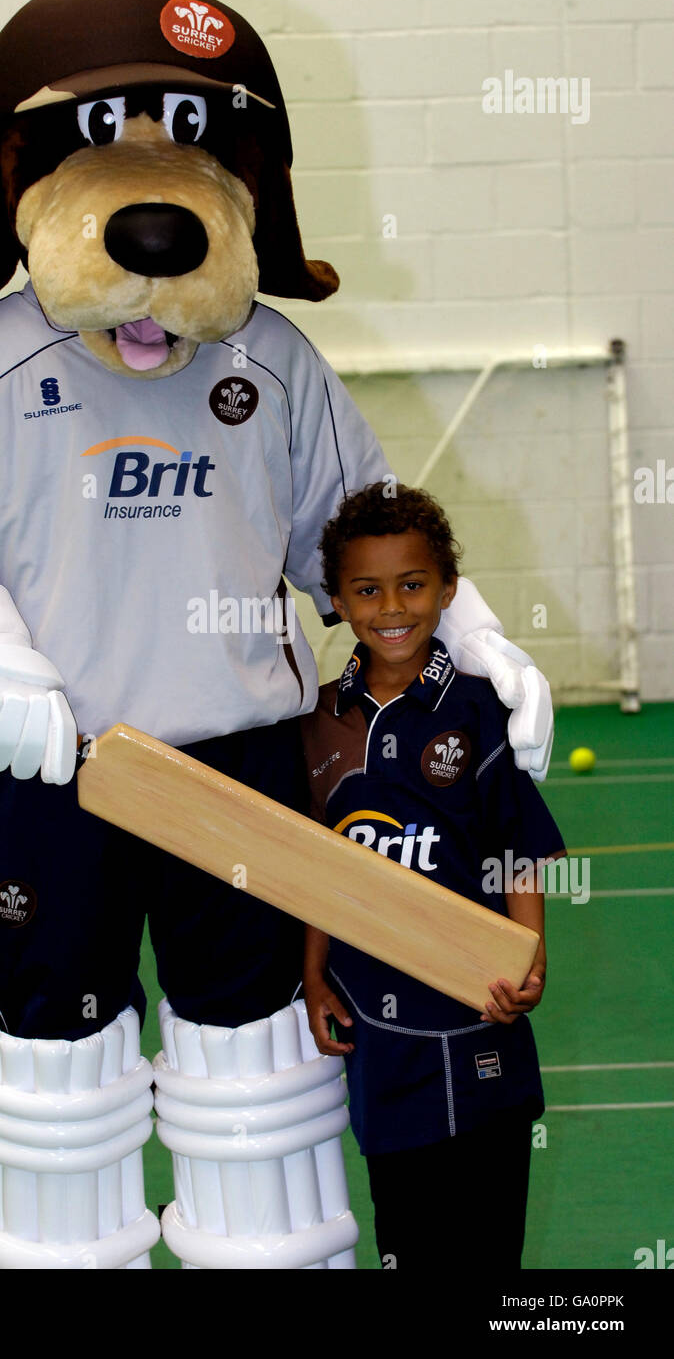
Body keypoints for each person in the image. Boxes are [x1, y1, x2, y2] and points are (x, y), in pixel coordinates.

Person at [300, 482, 565, 1270]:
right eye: (367, 589)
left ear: (447, 591)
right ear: (339, 601)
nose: (392, 606)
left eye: (413, 585)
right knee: (408, 1243)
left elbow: (517, 848)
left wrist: (528, 955)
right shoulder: (315, 725)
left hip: (482, 1018)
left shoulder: (483, 712)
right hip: (381, 1037)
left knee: (487, 1252)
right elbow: (312, 869)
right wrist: (314, 977)